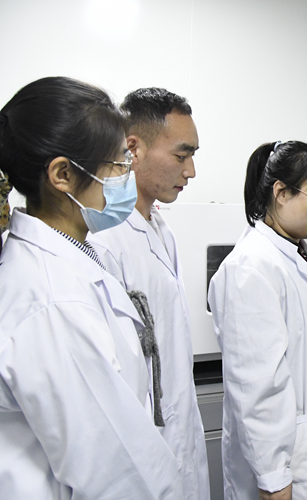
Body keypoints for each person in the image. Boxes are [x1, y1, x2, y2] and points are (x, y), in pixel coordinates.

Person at [0, 76, 182, 498]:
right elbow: (115, 471)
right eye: (118, 164)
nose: (127, 175)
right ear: (63, 174)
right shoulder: (51, 298)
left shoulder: (70, 260)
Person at [208, 141, 307, 500]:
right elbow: (258, 387)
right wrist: (273, 478)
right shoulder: (250, 269)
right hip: (287, 464)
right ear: (281, 193)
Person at [88, 87, 209, 500]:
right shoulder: (105, 241)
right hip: (143, 454)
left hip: (179, 432)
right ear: (133, 149)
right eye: (181, 155)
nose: (191, 171)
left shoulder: (160, 228)